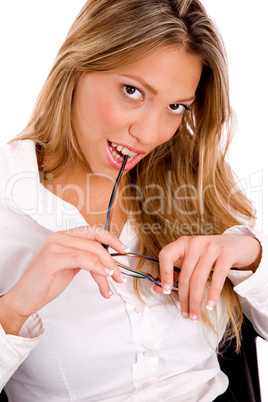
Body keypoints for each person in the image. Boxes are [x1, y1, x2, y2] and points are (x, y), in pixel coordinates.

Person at [0, 0, 267, 401]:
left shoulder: (194, 176)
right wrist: (13, 310)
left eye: (175, 107)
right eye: (132, 91)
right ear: (76, 67)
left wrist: (250, 256)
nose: (149, 132)